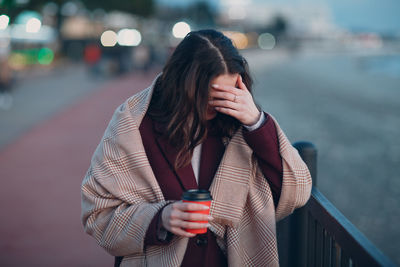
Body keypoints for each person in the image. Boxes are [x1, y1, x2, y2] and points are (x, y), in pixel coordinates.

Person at [81, 29, 312, 267]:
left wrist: (257, 123)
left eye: (230, 93)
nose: (221, 105)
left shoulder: (243, 129)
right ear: (182, 86)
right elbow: (98, 215)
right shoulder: (133, 125)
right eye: (211, 96)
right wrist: (160, 219)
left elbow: (297, 191)